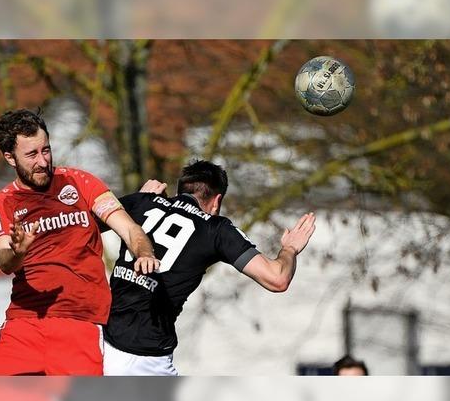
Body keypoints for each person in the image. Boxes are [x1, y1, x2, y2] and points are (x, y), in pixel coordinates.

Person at [0, 108, 159, 375]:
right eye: (31, 155)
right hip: (25, 322)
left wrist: (143, 252)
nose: (43, 161)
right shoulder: (0, 203)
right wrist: (18, 251)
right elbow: (4, 259)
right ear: (10, 157)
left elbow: (128, 228)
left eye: (46, 150)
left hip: (80, 322)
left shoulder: (80, 182)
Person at [102, 159, 316, 375]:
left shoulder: (141, 202)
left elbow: (82, 226)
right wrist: (290, 249)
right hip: (144, 357)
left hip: (100, 341)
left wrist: (136, 201)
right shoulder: (216, 229)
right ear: (217, 201)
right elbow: (277, 278)